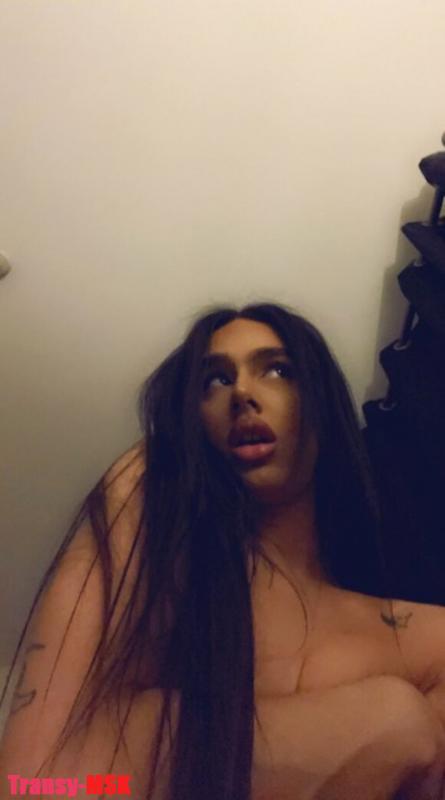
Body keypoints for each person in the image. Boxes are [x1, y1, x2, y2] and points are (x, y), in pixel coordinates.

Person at [2, 301, 445, 800]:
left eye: (278, 370)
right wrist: (388, 727)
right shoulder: (164, 617)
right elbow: (33, 784)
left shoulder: (427, 642)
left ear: (322, 407)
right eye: (214, 381)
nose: (242, 394)